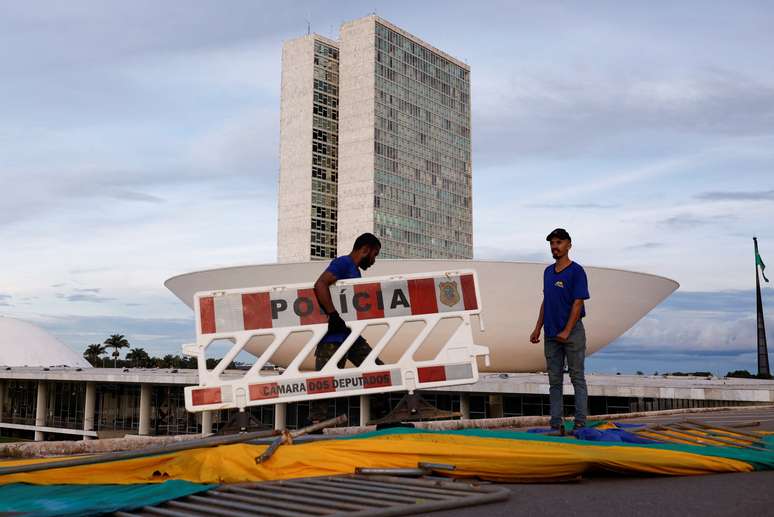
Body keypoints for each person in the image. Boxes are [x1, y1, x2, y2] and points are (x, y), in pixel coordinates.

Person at [308, 232, 383, 423]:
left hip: (352, 336)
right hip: (333, 338)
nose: (374, 261)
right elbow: (320, 284)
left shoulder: (355, 271)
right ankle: (315, 426)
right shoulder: (343, 263)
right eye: (374, 255)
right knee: (326, 384)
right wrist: (333, 315)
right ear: (365, 250)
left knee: (378, 373)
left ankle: (383, 419)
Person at [530, 228, 590, 433]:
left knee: (577, 377)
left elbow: (578, 303)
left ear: (568, 245)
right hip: (551, 334)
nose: (555, 247)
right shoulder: (547, 272)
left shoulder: (577, 271)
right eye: (552, 243)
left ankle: (580, 422)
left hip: (572, 333)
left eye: (559, 243)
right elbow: (547, 300)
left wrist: (567, 330)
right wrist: (538, 327)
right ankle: (556, 423)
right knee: (554, 380)